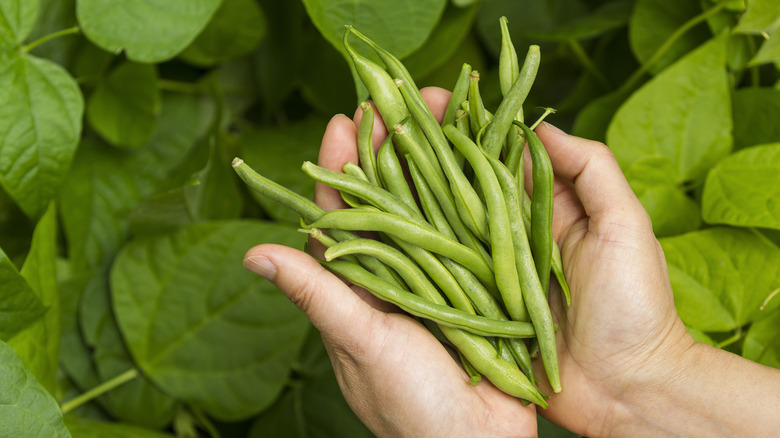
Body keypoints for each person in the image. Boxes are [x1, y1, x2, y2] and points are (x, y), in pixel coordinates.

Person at [243, 87, 780, 437]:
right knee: (425, 223)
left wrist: (644, 372)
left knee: (468, 202)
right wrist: (648, 373)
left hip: (525, 332)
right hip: (528, 335)